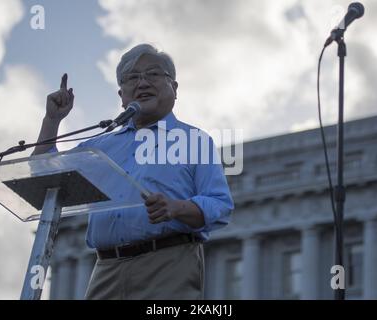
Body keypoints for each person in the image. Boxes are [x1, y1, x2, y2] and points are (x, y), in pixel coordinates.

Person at [33, 44, 233, 300]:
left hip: (167, 265)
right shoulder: (100, 146)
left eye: (153, 74)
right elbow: (42, 176)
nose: (143, 83)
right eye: (132, 78)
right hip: (106, 268)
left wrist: (176, 208)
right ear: (122, 95)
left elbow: (220, 204)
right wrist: (52, 121)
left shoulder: (193, 140)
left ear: (174, 88)